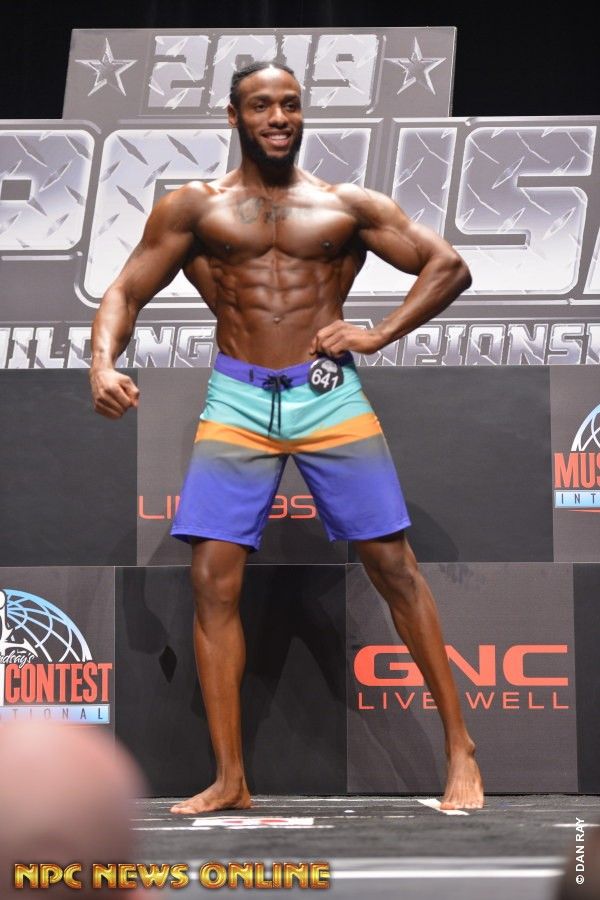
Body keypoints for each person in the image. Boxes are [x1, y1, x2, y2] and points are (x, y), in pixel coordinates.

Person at [90, 60, 484, 813]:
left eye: (291, 105)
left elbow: (449, 266)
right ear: (233, 116)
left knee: (393, 567)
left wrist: (377, 333)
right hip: (238, 398)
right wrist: (103, 362)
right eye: (262, 105)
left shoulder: (345, 206)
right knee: (212, 580)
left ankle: (460, 748)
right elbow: (126, 290)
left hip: (327, 393)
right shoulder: (193, 208)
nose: (278, 117)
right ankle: (230, 779)